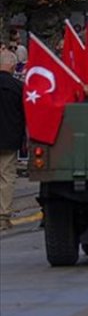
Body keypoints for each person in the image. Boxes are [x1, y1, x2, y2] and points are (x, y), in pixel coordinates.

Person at [0, 50, 24, 231]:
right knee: (7, 177)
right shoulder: (19, 87)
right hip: (9, 138)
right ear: (13, 66)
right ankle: (2, 217)